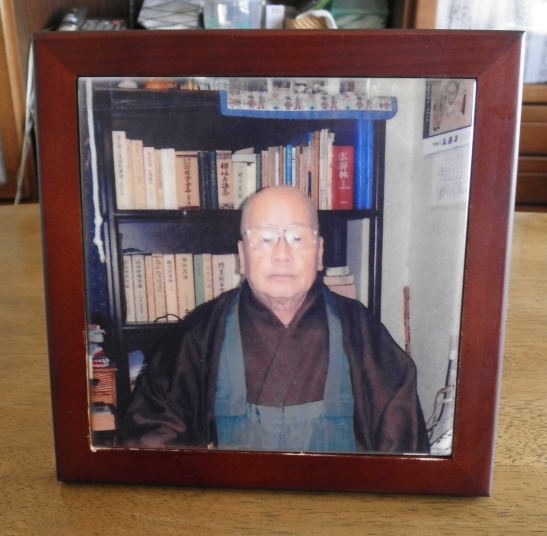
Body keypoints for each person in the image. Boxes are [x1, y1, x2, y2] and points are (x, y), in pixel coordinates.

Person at [122, 186, 429, 454]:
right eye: (266, 238)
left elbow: (401, 444)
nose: (282, 254)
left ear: (319, 252)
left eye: (297, 237)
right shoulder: (199, 333)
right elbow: (154, 439)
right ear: (242, 255)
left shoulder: (361, 331)